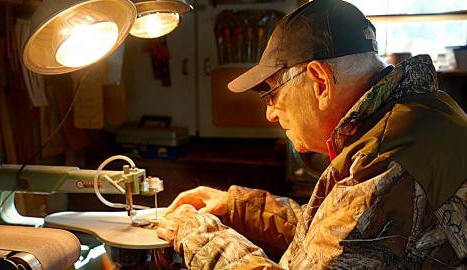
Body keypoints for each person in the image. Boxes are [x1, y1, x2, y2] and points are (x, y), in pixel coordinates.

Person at [156, 0, 467, 268]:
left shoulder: (387, 161)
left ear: (320, 83)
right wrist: (237, 205)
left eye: (271, 93)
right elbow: (338, 232)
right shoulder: (416, 114)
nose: (270, 112)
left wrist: (199, 234)